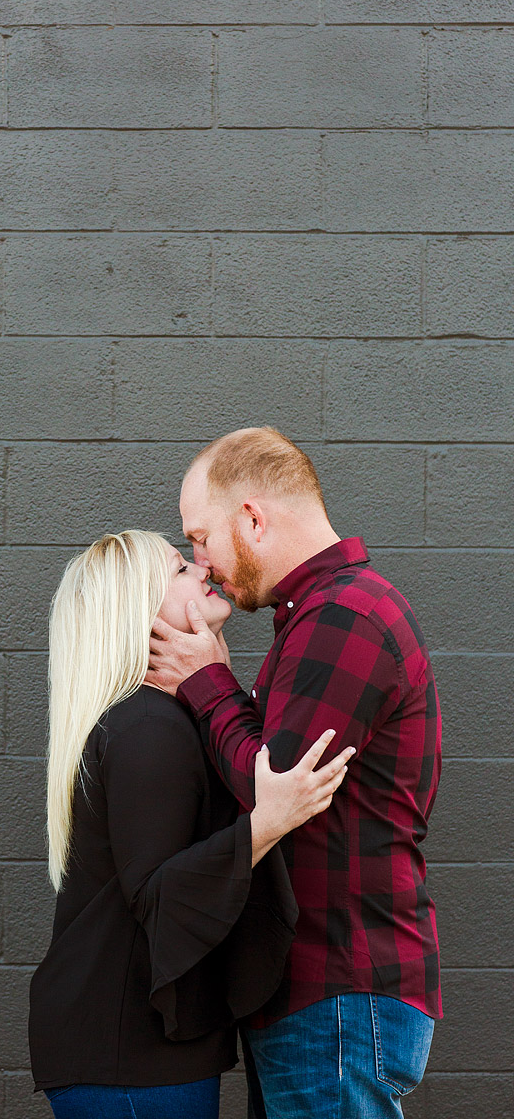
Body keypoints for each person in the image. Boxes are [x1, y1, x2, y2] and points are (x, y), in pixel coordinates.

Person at [147, 427, 442, 1119]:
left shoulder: (345, 615)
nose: (203, 562)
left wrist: (206, 681)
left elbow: (272, 790)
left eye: (201, 538)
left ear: (252, 518)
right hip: (325, 994)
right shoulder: (319, 615)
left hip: (336, 988)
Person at [28, 530, 355, 1119]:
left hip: (133, 1052)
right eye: (181, 569)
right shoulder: (149, 728)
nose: (201, 571)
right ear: (141, 611)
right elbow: (159, 898)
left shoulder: (154, 719)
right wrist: (268, 822)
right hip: (128, 1056)